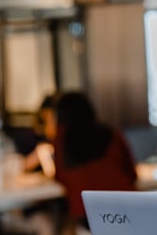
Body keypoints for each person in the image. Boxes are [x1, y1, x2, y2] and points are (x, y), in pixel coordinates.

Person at [49, 91, 137, 225]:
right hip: (128, 208)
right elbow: (132, 174)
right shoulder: (111, 133)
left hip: (89, 215)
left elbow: (60, 177)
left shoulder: (61, 140)